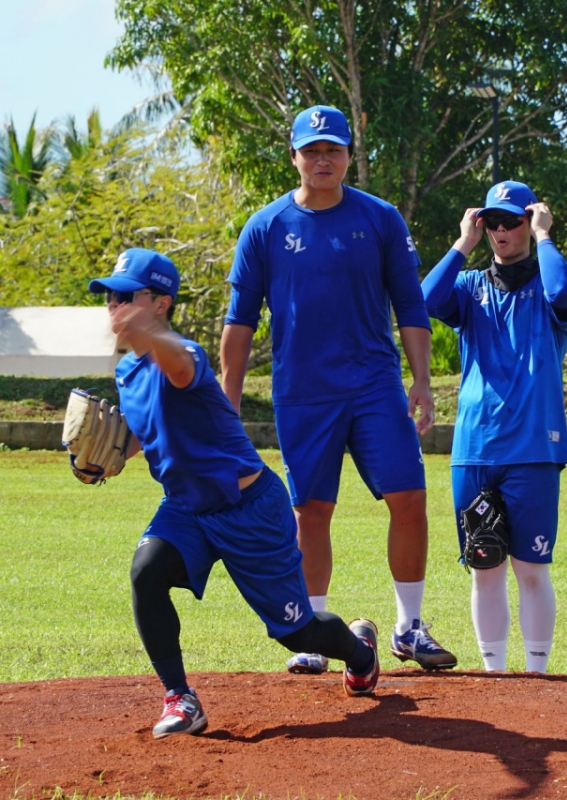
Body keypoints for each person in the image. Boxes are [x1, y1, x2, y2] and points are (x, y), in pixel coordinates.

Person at [88, 248, 380, 739]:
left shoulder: (185, 354)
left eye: (124, 295)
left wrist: (150, 334)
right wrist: (108, 455)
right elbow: (142, 433)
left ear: (161, 303)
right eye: (108, 297)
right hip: (186, 507)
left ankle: (359, 652)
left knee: (296, 632)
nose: (113, 305)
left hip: (250, 509)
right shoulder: (126, 372)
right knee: (146, 572)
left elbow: (178, 368)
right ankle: (181, 699)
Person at [221, 105, 456, 674]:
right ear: (294, 156)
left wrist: (421, 380)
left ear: (349, 156)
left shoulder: (379, 219)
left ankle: (409, 628)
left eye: (333, 149)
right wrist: (226, 402)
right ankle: (312, 633)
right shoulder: (266, 227)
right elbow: (240, 321)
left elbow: (410, 304)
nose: (323, 159)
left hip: (374, 386)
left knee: (410, 498)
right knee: (311, 512)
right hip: (302, 392)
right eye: (312, 150)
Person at [421, 181, 567, 672]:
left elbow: (563, 291)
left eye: (512, 220)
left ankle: (536, 672)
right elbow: (424, 300)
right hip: (475, 446)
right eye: (493, 221)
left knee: (531, 568)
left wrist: (544, 236)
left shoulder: (547, 291)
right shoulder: (470, 288)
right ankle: (494, 672)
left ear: (529, 222)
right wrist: (462, 243)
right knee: (482, 564)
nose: (502, 230)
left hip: (533, 447)